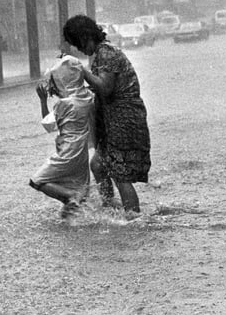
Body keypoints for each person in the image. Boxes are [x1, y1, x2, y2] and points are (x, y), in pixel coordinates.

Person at [62, 14, 151, 214]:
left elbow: (105, 88)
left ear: (85, 38)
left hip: (125, 120)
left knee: (121, 175)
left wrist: (81, 71)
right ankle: (111, 208)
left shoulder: (106, 54)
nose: (79, 49)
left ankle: (133, 218)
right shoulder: (100, 55)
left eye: (78, 44)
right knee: (99, 165)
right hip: (113, 120)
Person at [30, 54, 95, 218]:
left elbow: (48, 125)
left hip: (67, 151)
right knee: (73, 206)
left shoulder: (64, 104)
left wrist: (43, 101)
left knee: (38, 180)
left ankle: (70, 197)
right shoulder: (88, 98)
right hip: (81, 152)